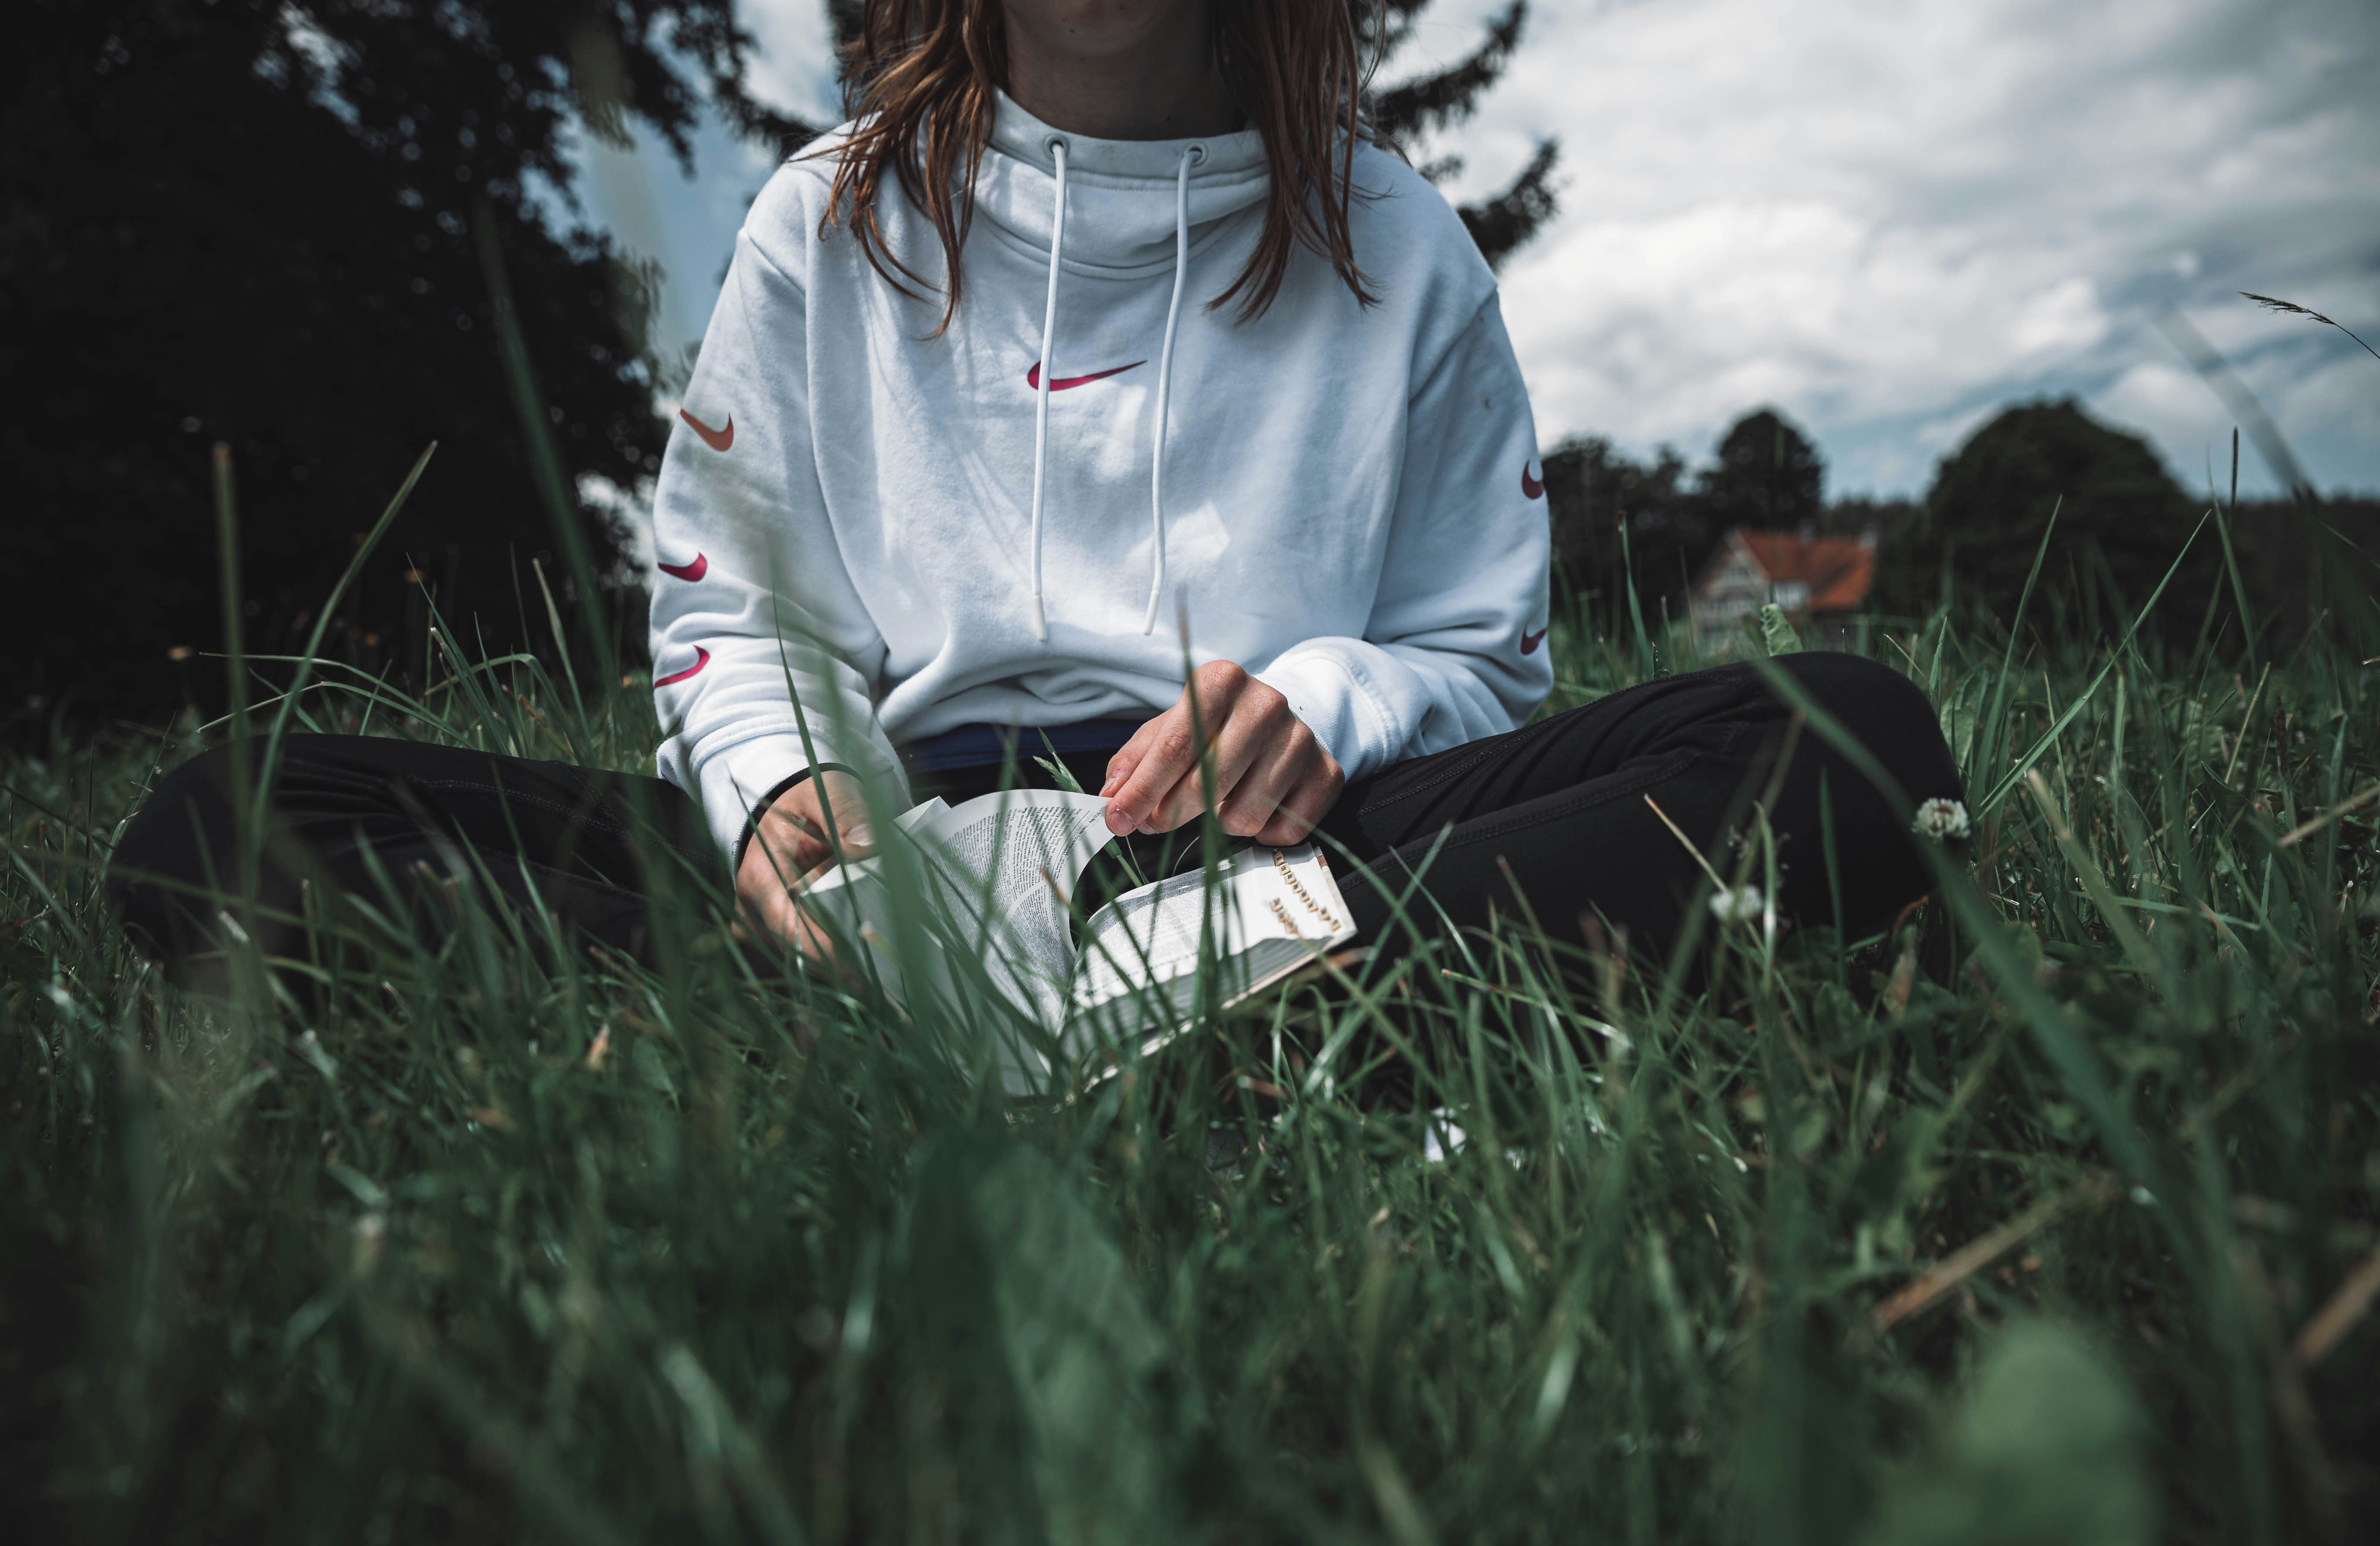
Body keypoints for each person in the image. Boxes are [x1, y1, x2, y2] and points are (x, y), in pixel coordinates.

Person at [107, 0, 1962, 992]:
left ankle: (1179, 988)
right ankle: (924, 999)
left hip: (1275, 853)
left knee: (1861, 744)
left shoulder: (1401, 247)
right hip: (890, 846)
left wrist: (1322, 702)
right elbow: (728, 625)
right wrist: (778, 796)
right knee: (223, 815)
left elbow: (1474, 656)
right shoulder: (818, 224)